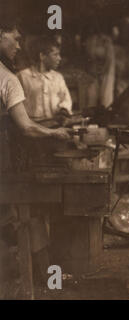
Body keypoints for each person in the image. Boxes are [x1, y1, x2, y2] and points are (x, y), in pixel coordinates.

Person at [0, 17, 71, 298]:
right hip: (6, 160)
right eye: (14, 39)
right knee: (28, 214)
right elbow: (27, 128)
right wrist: (55, 135)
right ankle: (38, 278)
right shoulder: (9, 79)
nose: (19, 45)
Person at [17, 36, 72, 122]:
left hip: (55, 124)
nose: (59, 58)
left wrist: (63, 111)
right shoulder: (23, 77)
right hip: (32, 126)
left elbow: (66, 99)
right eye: (55, 54)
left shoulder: (58, 78)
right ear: (42, 56)